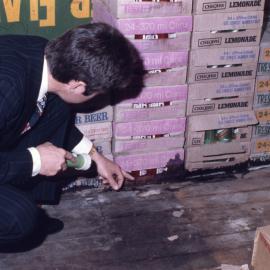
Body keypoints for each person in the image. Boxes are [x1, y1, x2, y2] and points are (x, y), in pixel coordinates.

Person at [0, 22, 145, 250]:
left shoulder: (45, 58)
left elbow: (48, 116)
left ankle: (31, 204)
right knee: (18, 218)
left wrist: (96, 157)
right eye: (98, 92)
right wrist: (36, 160)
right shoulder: (6, 90)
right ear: (78, 86)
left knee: (58, 105)